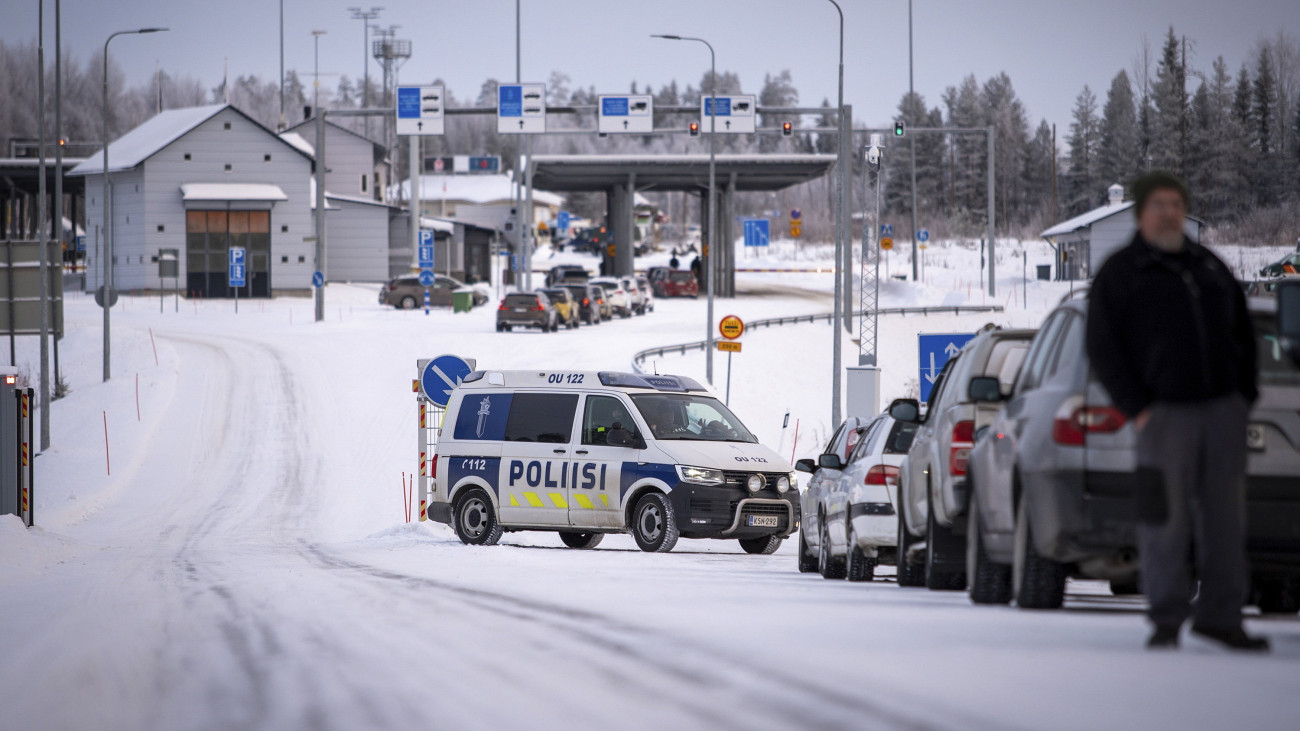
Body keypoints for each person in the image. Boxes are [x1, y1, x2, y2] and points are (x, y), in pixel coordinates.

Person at [1086, 171, 1266, 652]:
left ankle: (1221, 617)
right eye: (1159, 205)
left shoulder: (1209, 266)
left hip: (1221, 411)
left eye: (1176, 204)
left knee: (1226, 519)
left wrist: (1242, 396)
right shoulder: (1121, 274)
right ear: (1141, 213)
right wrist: (1138, 408)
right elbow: (1102, 348)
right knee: (1164, 519)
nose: (1169, 213)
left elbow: (1243, 335)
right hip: (1162, 416)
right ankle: (1166, 617)